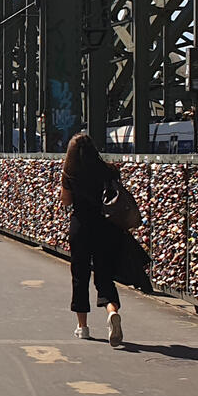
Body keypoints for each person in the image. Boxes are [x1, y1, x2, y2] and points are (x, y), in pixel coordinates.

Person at [58, 132, 125, 346]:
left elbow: (66, 202)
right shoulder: (108, 170)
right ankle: (111, 311)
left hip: (81, 226)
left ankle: (83, 327)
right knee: (104, 274)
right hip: (104, 226)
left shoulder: (70, 173)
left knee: (80, 275)